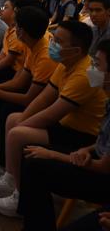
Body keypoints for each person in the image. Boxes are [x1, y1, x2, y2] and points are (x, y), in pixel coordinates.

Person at [0, 21, 107, 217]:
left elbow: (52, 114)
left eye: (58, 41)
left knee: (17, 133)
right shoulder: (66, 64)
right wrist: (22, 119)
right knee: (14, 118)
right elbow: (43, 99)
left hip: (82, 135)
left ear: (76, 50)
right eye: (53, 38)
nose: (52, 44)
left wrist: (22, 125)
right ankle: (9, 175)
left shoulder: (84, 75)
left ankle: (20, 197)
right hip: (67, 125)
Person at [16, 39, 110, 231]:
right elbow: (103, 141)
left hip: (103, 177)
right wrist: (86, 149)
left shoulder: (82, 78)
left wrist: (53, 155)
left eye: (98, 64)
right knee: (32, 157)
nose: (92, 69)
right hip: (93, 155)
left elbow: (103, 167)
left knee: (36, 164)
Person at [0, 3, 58, 180]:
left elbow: (29, 98)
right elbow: (20, 81)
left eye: (16, 25)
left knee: (7, 108)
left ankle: (2, 165)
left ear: (22, 31)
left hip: (43, 99)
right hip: (36, 91)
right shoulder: (33, 44)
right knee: (0, 101)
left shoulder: (45, 54)